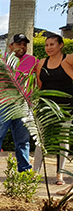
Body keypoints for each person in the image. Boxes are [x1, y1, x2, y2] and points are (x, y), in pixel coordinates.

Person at [0, 34, 38, 177]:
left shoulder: (33, 61)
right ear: (10, 46)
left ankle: (24, 170)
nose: (22, 47)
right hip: (1, 105)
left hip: (23, 105)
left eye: (24, 44)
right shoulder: (0, 60)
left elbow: (38, 81)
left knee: (23, 141)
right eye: (18, 44)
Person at [35, 33, 73, 187]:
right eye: (46, 45)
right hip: (46, 107)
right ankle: (35, 172)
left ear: (61, 45)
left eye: (52, 44)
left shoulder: (67, 60)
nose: (48, 48)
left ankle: (60, 175)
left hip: (66, 107)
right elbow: (40, 85)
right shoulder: (41, 63)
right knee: (40, 140)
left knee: (62, 140)